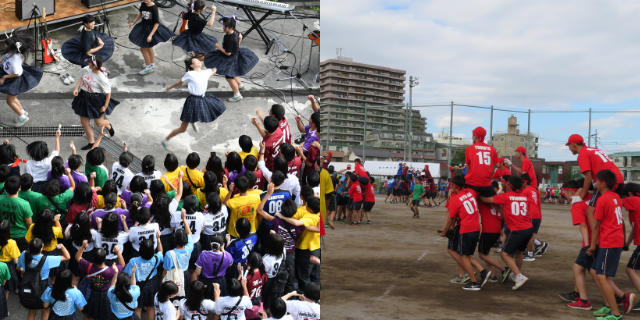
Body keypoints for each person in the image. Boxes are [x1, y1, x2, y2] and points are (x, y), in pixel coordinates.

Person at [480, 175, 533, 291]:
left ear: (510, 185)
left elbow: (486, 200)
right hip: (528, 228)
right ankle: (516, 274)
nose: (504, 184)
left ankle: (519, 276)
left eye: (506, 183)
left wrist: (478, 194)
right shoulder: (525, 196)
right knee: (519, 252)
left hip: (518, 229)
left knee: (504, 254)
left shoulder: (506, 196)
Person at [587, 170, 627, 319]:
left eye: (596, 180)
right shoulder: (616, 196)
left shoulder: (602, 200)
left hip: (609, 241)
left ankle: (615, 314)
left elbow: (596, 226)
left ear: (603, 183)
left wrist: (592, 246)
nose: (595, 183)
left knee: (602, 276)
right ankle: (609, 306)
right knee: (599, 273)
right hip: (615, 240)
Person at [440, 175, 490, 291]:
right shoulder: (471, 192)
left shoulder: (456, 199)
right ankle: (482, 272)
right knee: (466, 255)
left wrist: (444, 231)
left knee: (464, 256)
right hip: (476, 228)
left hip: (466, 229)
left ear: (455, 186)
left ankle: (474, 281)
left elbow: (450, 218)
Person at [162, 58, 225, 149]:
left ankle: (193, 120)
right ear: (192, 66)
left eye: (199, 60)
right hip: (193, 101)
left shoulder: (206, 72)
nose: (200, 61)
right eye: (197, 61)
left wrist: (219, 60)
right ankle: (166, 139)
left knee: (219, 106)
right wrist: (169, 88)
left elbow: (214, 71)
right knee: (183, 129)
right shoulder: (189, 74)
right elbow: (179, 83)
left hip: (203, 98)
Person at [204, 17, 258, 102]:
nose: (223, 28)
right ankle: (240, 85)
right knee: (233, 72)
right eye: (224, 26)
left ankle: (237, 94)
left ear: (231, 28)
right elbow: (239, 38)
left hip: (230, 57)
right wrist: (237, 44)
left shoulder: (230, 38)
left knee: (229, 76)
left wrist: (218, 47)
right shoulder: (236, 33)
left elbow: (228, 53)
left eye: (225, 27)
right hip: (236, 54)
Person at [71, 55, 118, 150]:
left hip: (96, 100)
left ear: (95, 66)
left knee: (99, 123)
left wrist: (105, 106)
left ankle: (108, 125)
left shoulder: (102, 78)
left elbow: (108, 93)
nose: (88, 64)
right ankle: (91, 142)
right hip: (83, 97)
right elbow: (82, 78)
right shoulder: (87, 69)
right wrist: (77, 88)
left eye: (90, 63)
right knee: (84, 122)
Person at [18, 239, 70, 320]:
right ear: (41, 248)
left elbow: (18, 267)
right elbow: (67, 257)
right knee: (45, 310)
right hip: (44, 287)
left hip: (29, 284)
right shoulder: (47, 259)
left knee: (32, 310)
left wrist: (25, 271)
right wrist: (62, 247)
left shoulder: (24, 254)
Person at [0, 35, 43, 126]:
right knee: (13, 98)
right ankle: (22, 112)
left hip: (15, 81)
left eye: (6, 44)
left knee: (10, 101)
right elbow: (4, 59)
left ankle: (22, 117)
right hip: (7, 74)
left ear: (11, 47)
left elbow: (17, 73)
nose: (4, 45)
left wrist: (4, 77)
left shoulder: (15, 59)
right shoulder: (10, 53)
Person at [128, 0, 174, 75]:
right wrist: (133, 22)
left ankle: (148, 67)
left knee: (143, 48)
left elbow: (156, 23)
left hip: (151, 29)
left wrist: (150, 35)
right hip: (143, 26)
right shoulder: (143, 4)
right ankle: (151, 64)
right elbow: (140, 13)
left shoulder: (154, 8)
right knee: (149, 47)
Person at [124, 235, 163, 320]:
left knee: (138, 308)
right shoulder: (156, 258)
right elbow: (160, 252)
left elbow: (126, 273)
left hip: (137, 286)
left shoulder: (133, 261)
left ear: (140, 250)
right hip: (152, 284)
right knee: (151, 307)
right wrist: (158, 239)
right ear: (153, 250)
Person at [0, 175, 33, 250]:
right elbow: (29, 223)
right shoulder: (24, 204)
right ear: (19, 188)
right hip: (20, 236)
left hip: (3, 233)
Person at [521, 173, 548, 262]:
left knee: (528, 236)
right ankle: (540, 245)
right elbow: (538, 204)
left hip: (530, 215)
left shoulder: (525, 191)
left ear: (525, 182)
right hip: (537, 215)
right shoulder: (534, 190)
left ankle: (530, 254)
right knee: (532, 234)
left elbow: (523, 204)